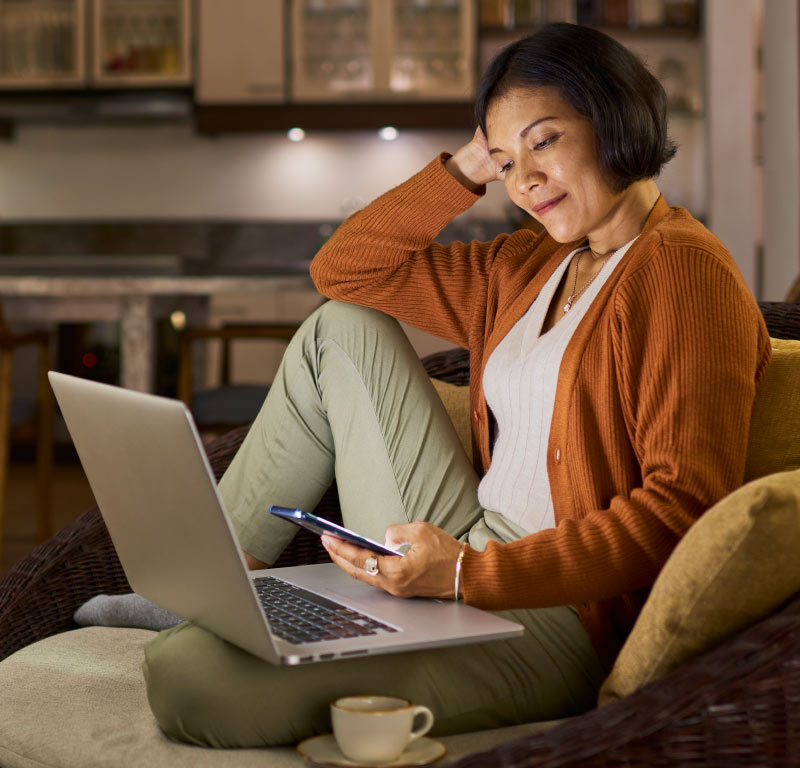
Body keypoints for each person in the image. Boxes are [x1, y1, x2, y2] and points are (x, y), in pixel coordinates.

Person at [143, 22, 771, 748]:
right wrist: (471, 161)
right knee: (341, 326)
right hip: (463, 537)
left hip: (560, 613)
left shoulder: (681, 271)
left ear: (614, 119)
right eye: (507, 160)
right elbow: (345, 270)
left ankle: (211, 620)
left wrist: (470, 575)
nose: (524, 179)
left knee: (188, 678)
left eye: (543, 141)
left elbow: (680, 511)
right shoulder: (529, 263)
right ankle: (218, 586)